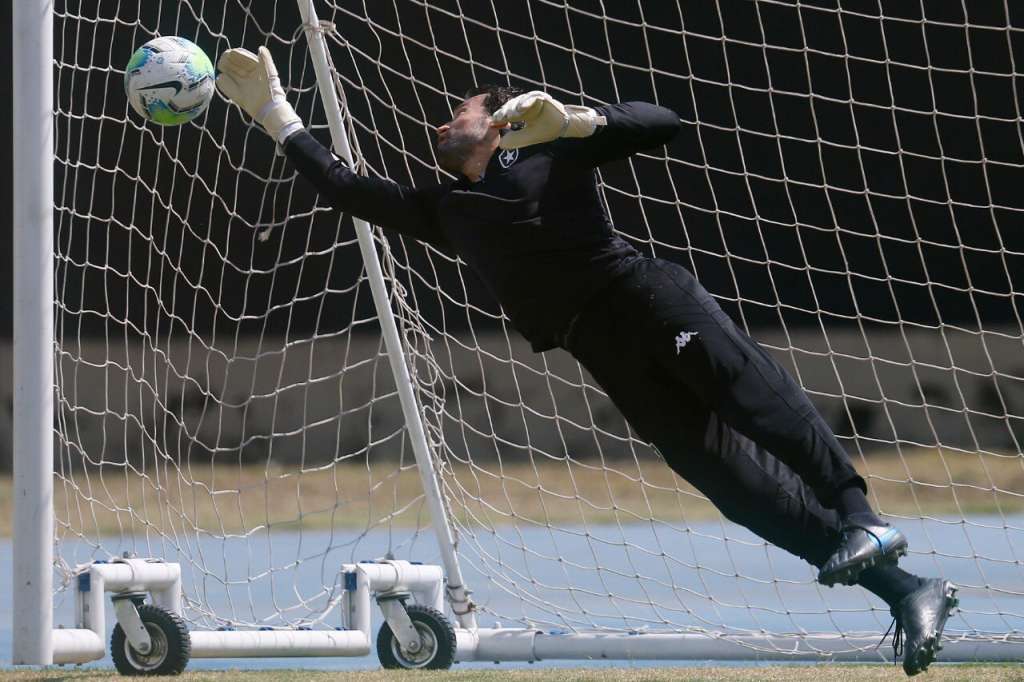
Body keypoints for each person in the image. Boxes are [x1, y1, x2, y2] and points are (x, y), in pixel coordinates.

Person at [216, 46, 958, 676]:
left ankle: (864, 518)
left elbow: (663, 123)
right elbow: (347, 188)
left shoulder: (549, 152)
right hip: (599, 346)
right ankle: (905, 590)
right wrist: (277, 114)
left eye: (461, 112)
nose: (442, 122)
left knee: (752, 403)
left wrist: (579, 120)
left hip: (650, 298)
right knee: (729, 483)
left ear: (501, 123)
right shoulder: (446, 207)